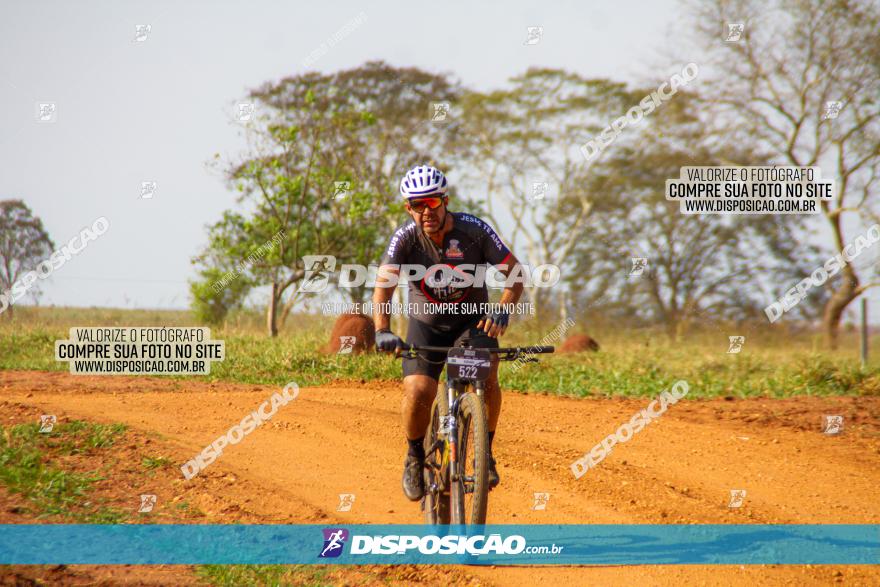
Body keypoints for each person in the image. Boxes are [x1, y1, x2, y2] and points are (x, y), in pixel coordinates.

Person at [372, 164, 524, 501]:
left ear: (445, 201)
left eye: (432, 203)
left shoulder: (475, 230)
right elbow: (383, 288)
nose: (425, 212)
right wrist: (382, 330)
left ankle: (485, 452)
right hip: (426, 326)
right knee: (417, 392)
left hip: (472, 321)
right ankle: (414, 456)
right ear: (407, 208)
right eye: (416, 205)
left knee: (488, 374)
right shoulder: (405, 238)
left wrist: (503, 307)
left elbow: (515, 274)